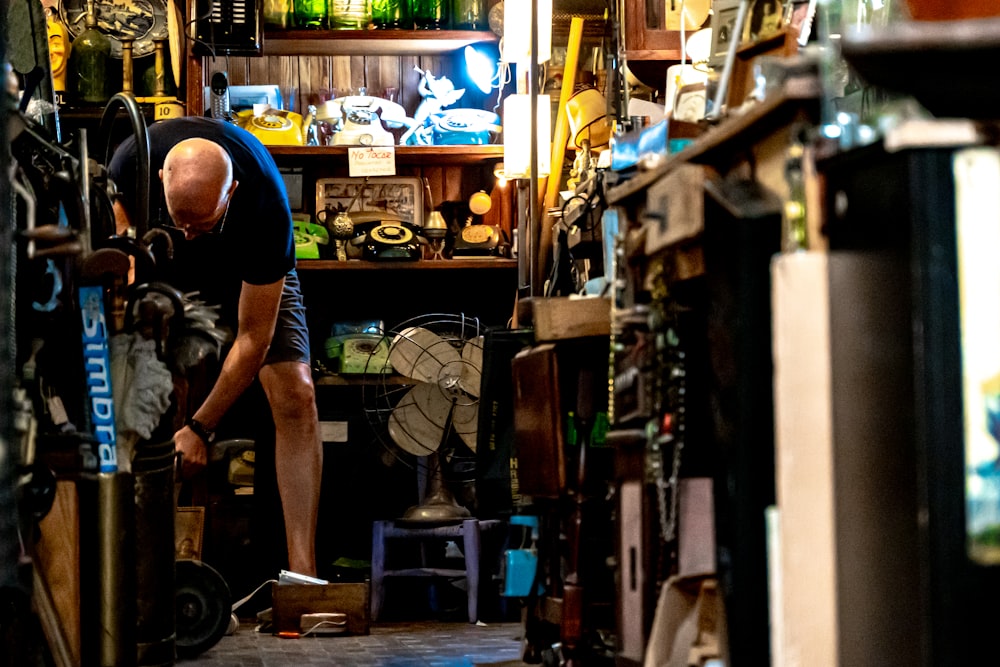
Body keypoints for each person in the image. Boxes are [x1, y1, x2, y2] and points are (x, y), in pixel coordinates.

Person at [109, 116, 322, 577]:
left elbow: (254, 339)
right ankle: (149, 567)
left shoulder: (265, 201)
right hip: (160, 263)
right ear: (160, 177)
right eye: (181, 220)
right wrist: (129, 264)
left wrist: (202, 429)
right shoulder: (131, 159)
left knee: (296, 393)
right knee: (154, 395)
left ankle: (302, 574)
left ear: (231, 192)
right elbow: (119, 218)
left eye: (201, 223)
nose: (190, 233)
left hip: (244, 270)